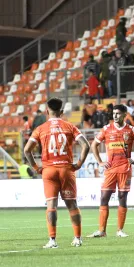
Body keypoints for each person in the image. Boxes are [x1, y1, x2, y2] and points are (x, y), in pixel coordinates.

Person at [23, 98, 90, 248]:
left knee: (51, 206)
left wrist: (36, 168)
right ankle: (77, 238)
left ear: (47, 111)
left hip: (49, 170)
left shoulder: (40, 129)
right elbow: (85, 145)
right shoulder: (70, 126)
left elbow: (27, 150)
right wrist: (78, 164)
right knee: (72, 204)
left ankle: (52, 240)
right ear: (61, 112)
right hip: (66, 169)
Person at [87, 104, 134, 238]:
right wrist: (100, 162)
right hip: (110, 169)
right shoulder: (107, 129)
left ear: (125, 115)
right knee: (104, 198)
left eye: (118, 113)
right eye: (114, 113)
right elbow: (94, 145)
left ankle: (120, 230)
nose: (115, 116)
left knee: (122, 198)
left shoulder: (131, 130)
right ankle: (102, 231)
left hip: (125, 169)